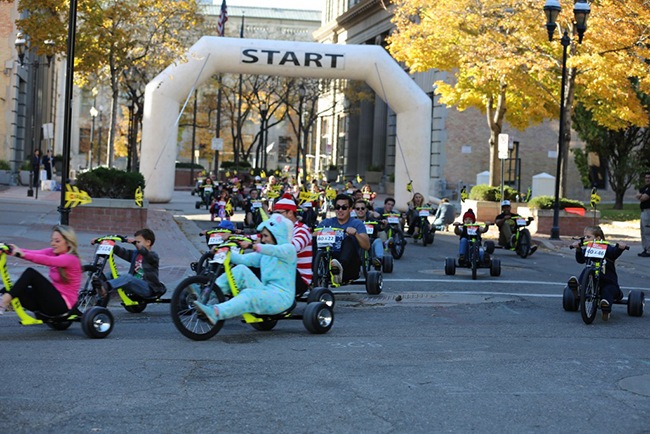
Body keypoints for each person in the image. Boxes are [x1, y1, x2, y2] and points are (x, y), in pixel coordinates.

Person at [193, 213, 297, 324]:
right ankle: (205, 293)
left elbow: (274, 250)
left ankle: (216, 313)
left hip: (281, 298)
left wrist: (253, 246)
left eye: (266, 236)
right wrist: (224, 252)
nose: (263, 239)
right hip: (266, 291)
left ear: (277, 235)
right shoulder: (265, 255)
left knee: (248, 294)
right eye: (262, 236)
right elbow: (244, 259)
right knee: (240, 270)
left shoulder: (289, 250)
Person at [0, 225, 82, 316]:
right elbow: (33, 253)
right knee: (9, 289)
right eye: (52, 240)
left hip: (63, 306)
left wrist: (21, 254)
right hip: (50, 301)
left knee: (31, 274)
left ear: (68, 242)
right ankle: (3, 300)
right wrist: (12, 250)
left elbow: (47, 260)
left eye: (57, 241)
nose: (53, 243)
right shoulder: (53, 252)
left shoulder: (71, 259)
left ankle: (4, 301)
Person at [570, 225, 626, 321]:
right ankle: (577, 287)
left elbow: (614, 253)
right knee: (587, 269)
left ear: (598, 238)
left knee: (608, 291)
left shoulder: (607, 248)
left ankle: (605, 307)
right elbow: (580, 260)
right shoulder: (589, 249)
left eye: (588, 237)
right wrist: (578, 249)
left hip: (607, 282)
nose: (585, 239)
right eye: (585, 237)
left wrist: (620, 248)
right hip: (591, 282)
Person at [94, 228, 165, 299]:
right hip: (134, 284)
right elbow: (122, 252)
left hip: (147, 288)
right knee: (110, 274)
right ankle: (96, 290)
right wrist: (103, 242)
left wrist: (134, 243)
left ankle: (106, 287)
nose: (136, 244)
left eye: (138, 242)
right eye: (136, 242)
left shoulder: (153, 256)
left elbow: (145, 252)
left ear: (148, 242)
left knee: (128, 277)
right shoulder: (136, 254)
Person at [316, 194, 370, 284]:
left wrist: (356, 234)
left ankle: (338, 268)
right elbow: (314, 235)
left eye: (344, 208)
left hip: (349, 265)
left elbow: (367, 246)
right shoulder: (327, 222)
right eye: (338, 207)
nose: (340, 210)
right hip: (327, 262)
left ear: (350, 209)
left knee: (349, 240)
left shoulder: (357, 223)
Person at [273, 193, 313, 296]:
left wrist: (267, 244)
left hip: (299, 278)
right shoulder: (276, 229)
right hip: (281, 272)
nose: (274, 217)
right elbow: (258, 236)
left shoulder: (302, 229)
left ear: (290, 213)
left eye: (278, 213)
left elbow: (292, 248)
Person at [354, 199, 384, 268]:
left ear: (366, 210)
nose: (360, 210)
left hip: (371, 243)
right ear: (355, 210)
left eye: (362, 208)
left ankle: (378, 260)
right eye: (358, 209)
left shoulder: (372, 220)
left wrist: (383, 224)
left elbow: (380, 227)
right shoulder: (352, 221)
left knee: (378, 241)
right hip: (356, 245)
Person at [636, 172, 650, 257]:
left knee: (648, 231)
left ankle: (649, 250)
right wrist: (641, 196)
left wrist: (641, 196)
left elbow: (644, 198)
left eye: (649, 178)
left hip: (649, 211)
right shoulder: (645, 188)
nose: (647, 179)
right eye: (646, 178)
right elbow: (637, 194)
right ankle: (645, 248)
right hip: (643, 211)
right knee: (643, 231)